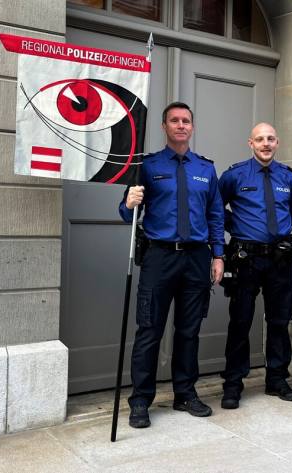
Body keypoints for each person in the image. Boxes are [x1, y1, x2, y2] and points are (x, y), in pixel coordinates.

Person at [119, 102, 224, 428]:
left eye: (186, 121)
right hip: (159, 257)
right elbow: (126, 215)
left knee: (189, 331)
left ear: (192, 127)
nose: (181, 125)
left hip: (196, 257)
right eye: (175, 121)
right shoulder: (147, 166)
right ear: (165, 126)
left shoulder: (205, 169)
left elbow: (215, 215)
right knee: (149, 330)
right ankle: (140, 400)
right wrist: (128, 202)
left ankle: (185, 393)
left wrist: (218, 255)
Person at [218, 123, 292, 409]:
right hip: (247, 259)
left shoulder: (287, 177)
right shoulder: (234, 175)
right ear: (250, 143)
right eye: (259, 139)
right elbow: (215, 210)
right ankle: (233, 384)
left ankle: (277, 379)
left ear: (277, 143)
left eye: (270, 139)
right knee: (240, 321)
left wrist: (277, 231)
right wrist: (238, 226)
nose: (265, 144)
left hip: (279, 260)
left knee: (279, 321)